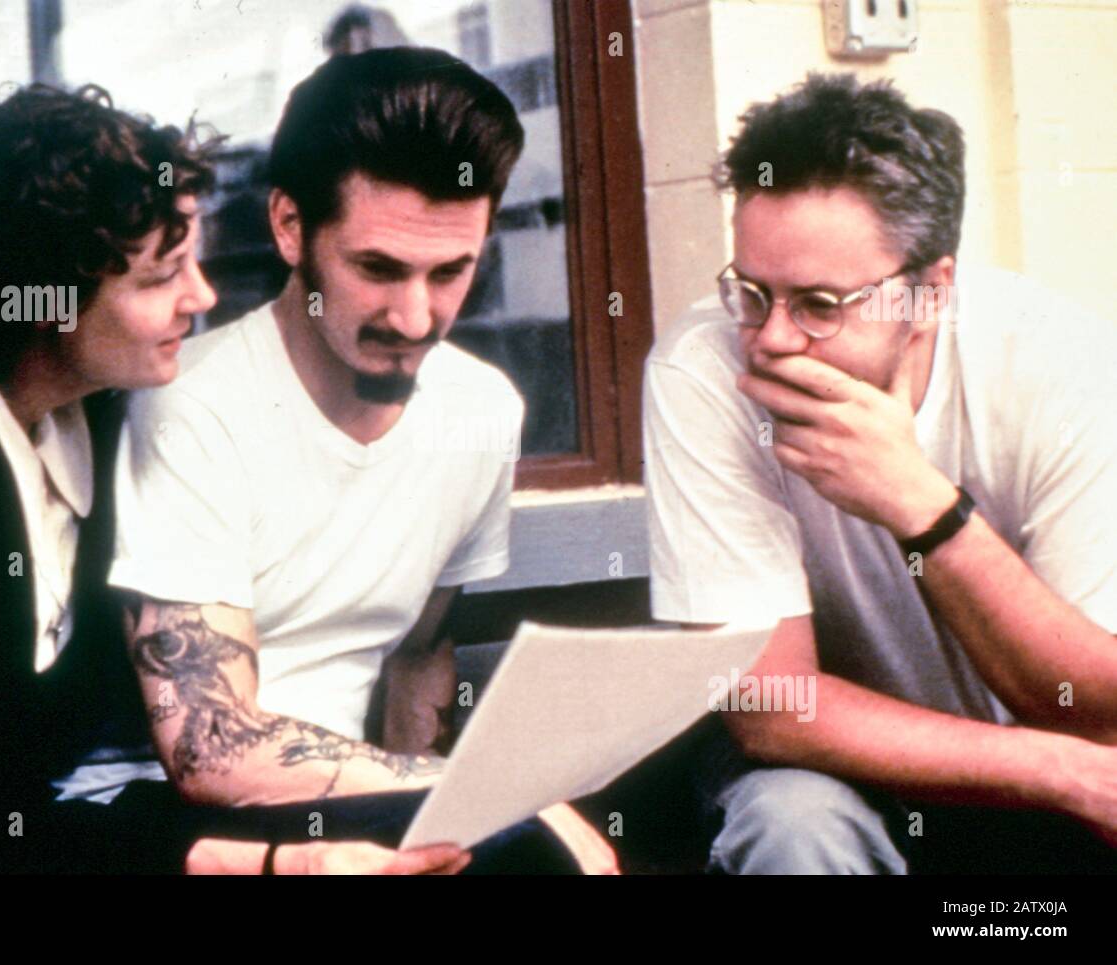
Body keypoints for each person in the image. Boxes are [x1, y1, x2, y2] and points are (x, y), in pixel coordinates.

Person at [0, 83, 466, 875]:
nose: (201, 297)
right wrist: (263, 867)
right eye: (163, 276)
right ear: (44, 299)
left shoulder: (93, 417)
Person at [97, 47, 618, 874]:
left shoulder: (480, 413)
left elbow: (418, 657)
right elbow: (211, 750)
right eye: (377, 268)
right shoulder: (190, 402)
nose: (415, 316)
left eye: (452, 271)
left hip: (359, 809)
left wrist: (446, 824)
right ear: (290, 226)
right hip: (180, 824)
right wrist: (493, 798)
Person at [643, 73, 1117, 874]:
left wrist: (923, 507)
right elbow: (771, 708)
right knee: (793, 823)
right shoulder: (702, 370)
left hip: (1062, 770)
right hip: (848, 775)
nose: (772, 339)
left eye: (820, 304)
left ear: (928, 293)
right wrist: (1057, 769)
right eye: (753, 292)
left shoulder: (1062, 363)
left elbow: (1093, 700)